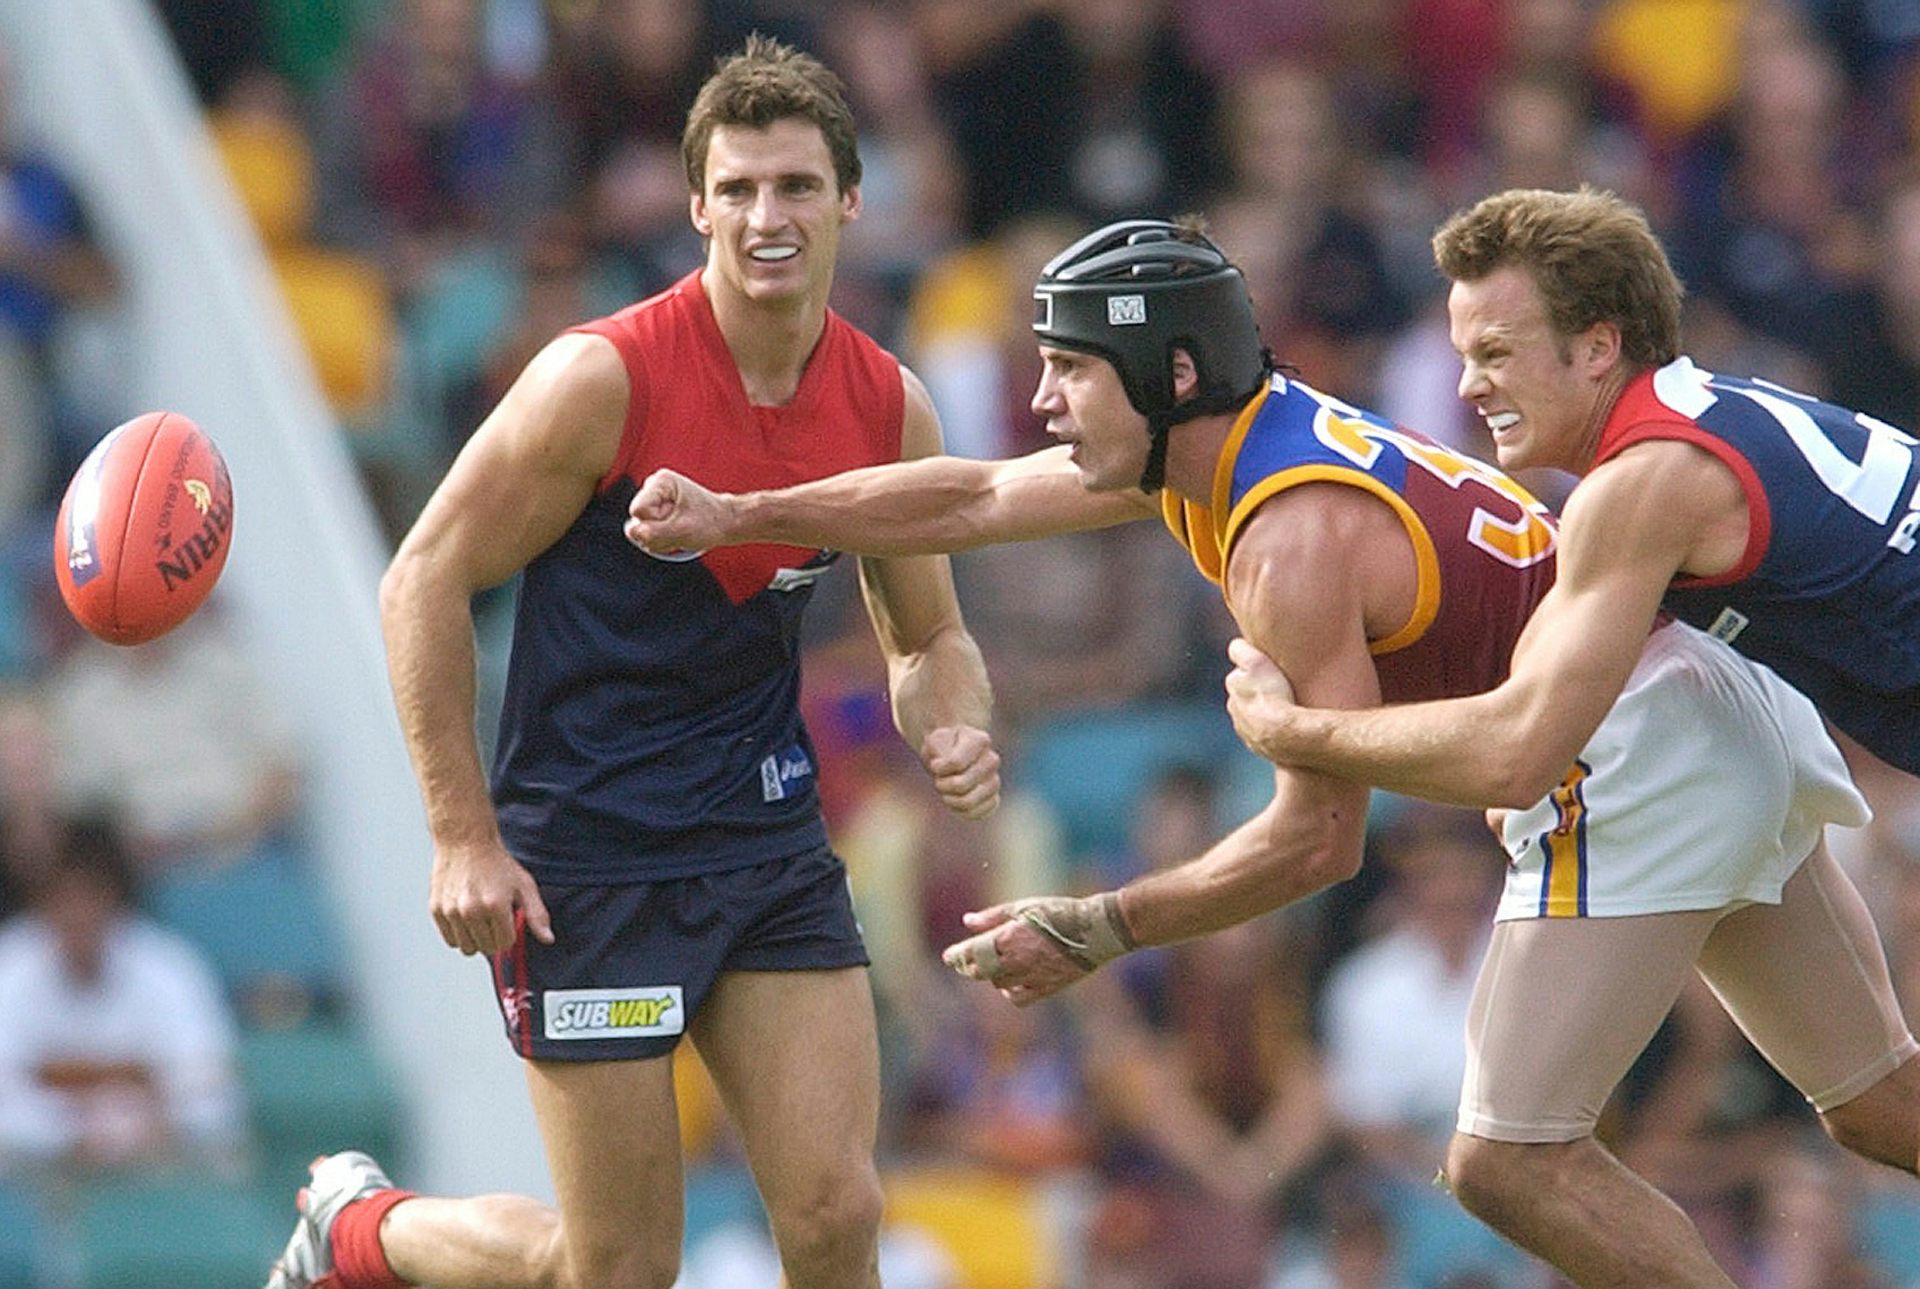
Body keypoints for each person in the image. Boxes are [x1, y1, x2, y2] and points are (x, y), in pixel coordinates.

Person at [626, 216, 1896, 1285]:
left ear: (1169, 375)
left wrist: (1106, 923)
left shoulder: (1284, 539)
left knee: (1507, 1160)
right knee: (1873, 1097)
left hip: (1628, 752)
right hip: (1714, 708)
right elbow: (968, 495)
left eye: (1068, 368)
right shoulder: (1222, 435)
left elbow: (1318, 840)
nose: (1041, 399)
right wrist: (746, 510)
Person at [266, 35, 1000, 1289]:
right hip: (590, 858)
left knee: (836, 1212)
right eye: (744, 189)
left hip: (762, 843)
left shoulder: (890, 406)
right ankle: (355, 1227)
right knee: (613, 1267)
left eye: (800, 187)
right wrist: (461, 836)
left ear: (852, 201)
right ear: (699, 204)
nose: (771, 216)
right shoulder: (599, 377)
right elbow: (423, 577)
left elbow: (926, 633)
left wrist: (953, 723)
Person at [1220, 186, 1920, 1285]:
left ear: (1598, 347)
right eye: (1462, 351)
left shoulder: (1641, 488)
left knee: (1503, 1158)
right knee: (1879, 1107)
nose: (1467, 384)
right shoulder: (1696, 427)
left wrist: (1290, 727)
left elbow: (1513, 752)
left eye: (1496, 350)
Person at [0, 816, 246, 1175]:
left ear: (113, 898)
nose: (77, 914)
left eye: (90, 896)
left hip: (158, 1171)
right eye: (63, 898)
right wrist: (70, 1132)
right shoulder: (10, 967)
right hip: (35, 1179)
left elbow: (214, 1093)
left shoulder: (169, 969)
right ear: (42, 901)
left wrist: (142, 1125)